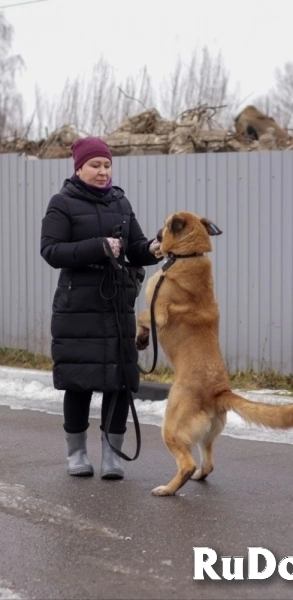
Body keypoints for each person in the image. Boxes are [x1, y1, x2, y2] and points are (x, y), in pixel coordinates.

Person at [40, 137, 163, 480]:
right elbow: (50, 251)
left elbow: (135, 248)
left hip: (116, 304)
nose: (102, 171)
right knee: (79, 379)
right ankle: (76, 453)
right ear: (78, 168)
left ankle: (113, 454)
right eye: (95, 165)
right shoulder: (61, 203)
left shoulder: (120, 201)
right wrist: (98, 246)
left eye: (107, 165)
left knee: (119, 380)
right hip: (77, 304)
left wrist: (153, 247)